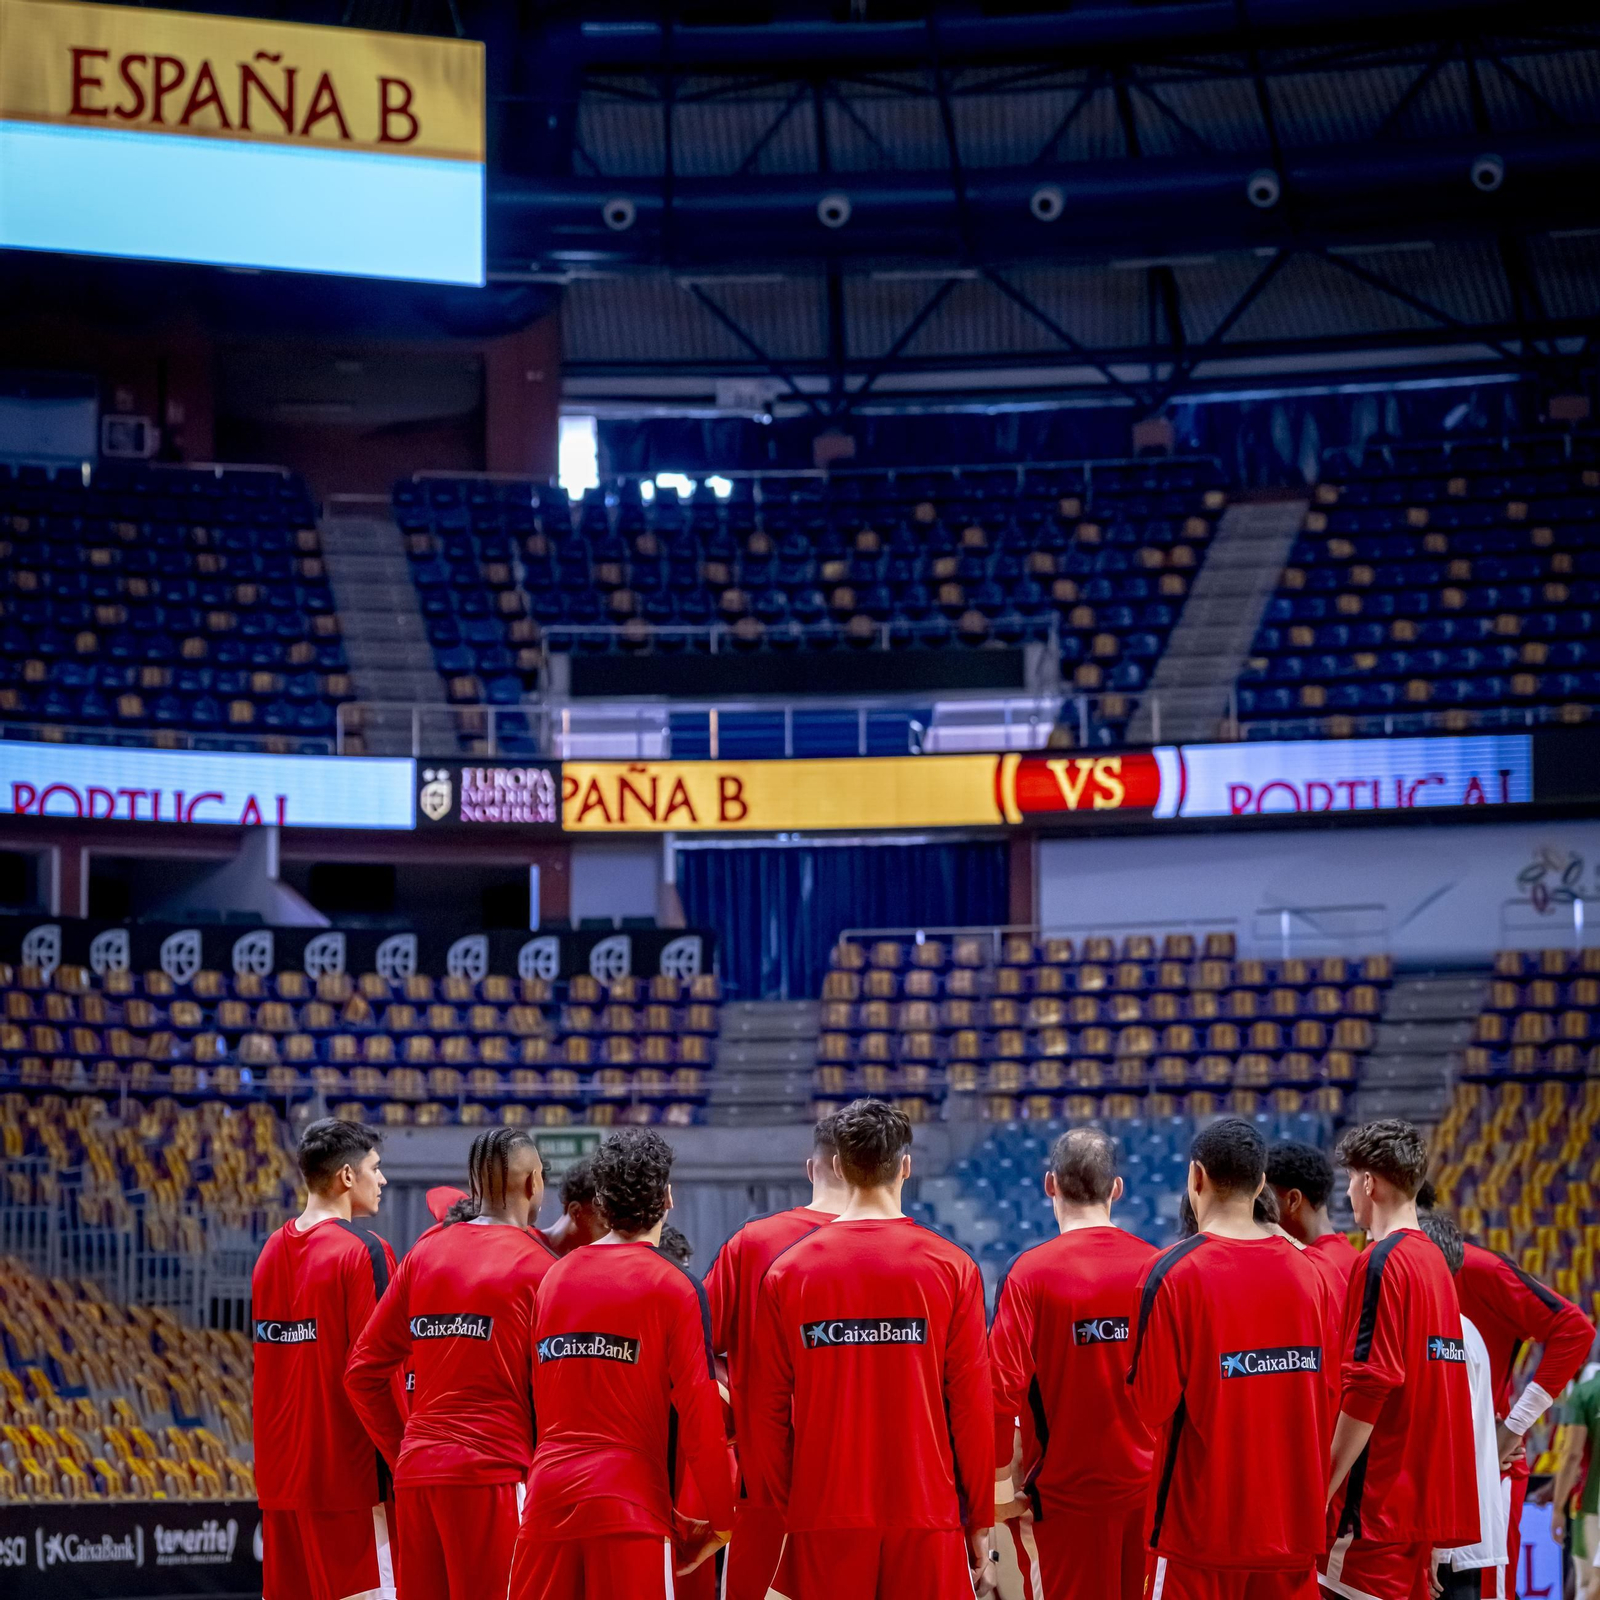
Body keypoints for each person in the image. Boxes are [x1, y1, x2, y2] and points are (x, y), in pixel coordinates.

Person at [747, 1097, 997, 1600]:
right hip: (927, 1509)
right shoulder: (952, 1267)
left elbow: (765, 1410)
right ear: (906, 1167)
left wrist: (793, 1504)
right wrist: (981, 1520)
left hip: (824, 1510)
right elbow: (971, 1406)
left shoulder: (787, 1273)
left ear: (837, 1166)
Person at [508, 1126, 736, 1600]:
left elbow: (533, 1398)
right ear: (668, 1198)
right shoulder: (676, 1286)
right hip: (629, 1505)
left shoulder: (553, 1278)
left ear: (602, 1204)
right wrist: (722, 1520)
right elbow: (699, 1415)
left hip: (546, 1501)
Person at [1127, 1117, 1337, 1600]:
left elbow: (1151, 1406)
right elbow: (1327, 1396)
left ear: (1195, 1177)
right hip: (1293, 1534)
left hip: (1199, 1539)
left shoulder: (1171, 1274)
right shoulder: (1312, 1274)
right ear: (1262, 1183)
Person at [346, 1129, 557, 1600]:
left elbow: (363, 1372)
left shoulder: (425, 1253)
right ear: (533, 1184)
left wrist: (405, 1450)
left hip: (419, 1477)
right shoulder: (541, 1268)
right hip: (493, 1476)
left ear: (475, 1185)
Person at [989, 1127, 1156, 1600]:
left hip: (1062, 1506)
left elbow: (998, 1390)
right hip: (1151, 1500)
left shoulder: (1028, 1274)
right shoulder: (1158, 1267)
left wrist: (1000, 1491)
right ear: (1116, 1189)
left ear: (1050, 1185)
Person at [1323, 1119, 1478, 1600]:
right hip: (1414, 1521)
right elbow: (1443, 1402)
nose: (1347, 1193)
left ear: (1369, 1182)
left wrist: (1320, 1489)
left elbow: (1369, 1387)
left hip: (1371, 1518)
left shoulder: (1380, 1261)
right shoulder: (1436, 1264)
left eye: (1350, 1179)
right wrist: (1431, 1535)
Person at [703, 1113, 848, 1600]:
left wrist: (734, 1410)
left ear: (813, 1169)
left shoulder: (752, 1243)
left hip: (768, 1488)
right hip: (872, 1489)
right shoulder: (913, 1254)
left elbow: (694, 1348)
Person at [252, 1119, 399, 1600]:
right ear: (347, 1177)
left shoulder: (269, 1252)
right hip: (350, 1489)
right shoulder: (365, 1251)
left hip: (281, 1487)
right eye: (375, 1169)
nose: (382, 1180)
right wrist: (404, 1460)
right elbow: (377, 1372)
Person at [1447, 1196, 1595, 1597]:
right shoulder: (1388, 1266)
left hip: (1488, 1472)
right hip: (1431, 1470)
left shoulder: (1478, 1269)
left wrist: (1513, 1429)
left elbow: (1575, 1329)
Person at [1416, 1210, 1509, 1600]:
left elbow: (1449, 1438)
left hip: (1448, 1544)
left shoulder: (1440, 1330)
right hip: (1465, 1537)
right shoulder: (1467, 1328)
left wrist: (1436, 1543)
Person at [1268, 1142, 1362, 1283]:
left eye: (1266, 1199)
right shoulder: (1351, 1257)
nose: (1260, 1210)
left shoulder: (1311, 1269)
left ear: (1293, 1200)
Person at [1551, 1361, 1600, 1600]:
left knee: (1589, 1584)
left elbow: (1572, 1455)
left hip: (1590, 1504)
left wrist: (1558, 1508)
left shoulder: (1585, 1392)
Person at [536, 1156, 607, 1256]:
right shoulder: (526, 1244)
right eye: (604, 1227)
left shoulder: (592, 1263)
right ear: (575, 1211)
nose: (610, 1238)